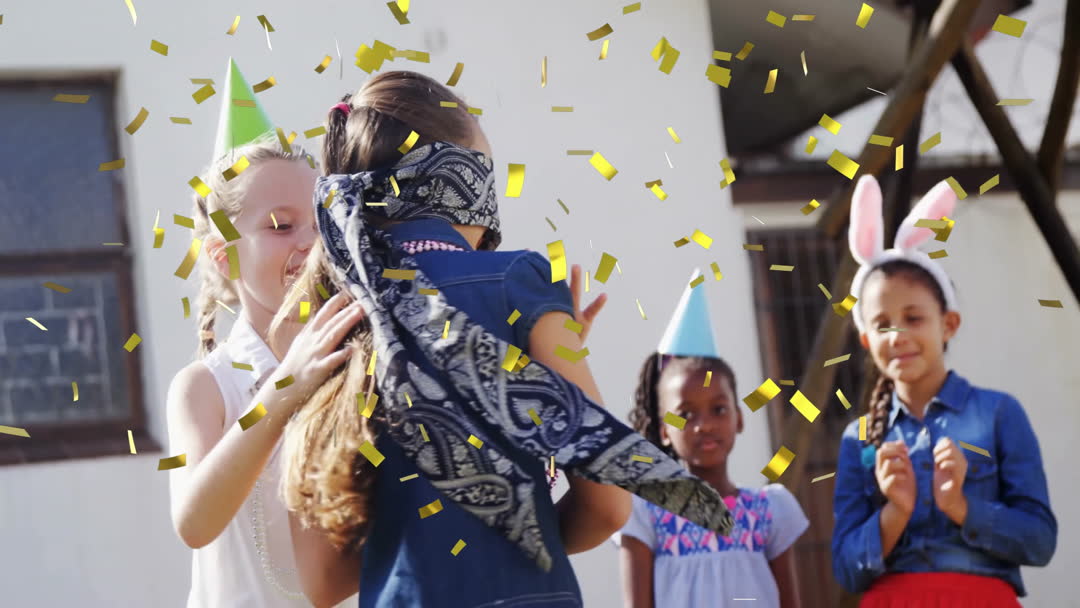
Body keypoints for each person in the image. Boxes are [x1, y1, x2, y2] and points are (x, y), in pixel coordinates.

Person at [272, 70, 737, 608]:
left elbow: (324, 582)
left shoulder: (323, 329)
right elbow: (609, 505)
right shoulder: (520, 282)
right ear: (458, 181)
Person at [165, 58, 361, 607]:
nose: (309, 243)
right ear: (223, 254)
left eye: (318, 224)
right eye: (280, 226)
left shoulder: (353, 363)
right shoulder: (204, 387)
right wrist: (285, 387)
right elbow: (193, 521)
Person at [831, 175, 1057, 606]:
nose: (897, 335)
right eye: (882, 324)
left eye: (913, 318)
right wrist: (894, 513)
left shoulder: (999, 414)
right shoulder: (857, 438)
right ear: (866, 341)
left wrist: (960, 507)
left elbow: (1040, 541)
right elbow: (846, 568)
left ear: (948, 324)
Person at [616, 275, 807, 608]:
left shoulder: (768, 511)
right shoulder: (646, 514)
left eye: (718, 409)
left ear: (739, 418)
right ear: (664, 430)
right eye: (686, 414)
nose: (703, 425)